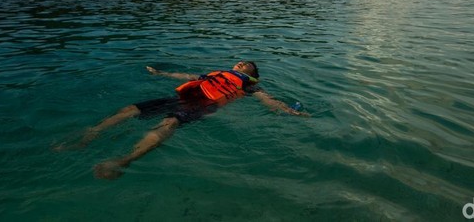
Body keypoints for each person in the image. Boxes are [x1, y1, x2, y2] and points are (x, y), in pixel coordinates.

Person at [58, 61, 308, 180]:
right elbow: (187, 75)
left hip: (203, 105)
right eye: (240, 61)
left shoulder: (250, 87)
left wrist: (289, 111)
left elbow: (269, 100)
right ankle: (92, 133)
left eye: (248, 66)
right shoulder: (214, 73)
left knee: (169, 124)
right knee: (130, 109)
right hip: (182, 97)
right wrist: (161, 72)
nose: (242, 63)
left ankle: (124, 160)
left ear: (251, 75)